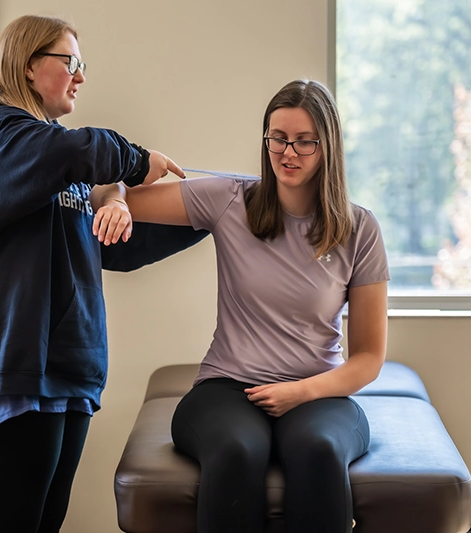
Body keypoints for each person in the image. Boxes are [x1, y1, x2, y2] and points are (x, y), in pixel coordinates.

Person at [0, 14, 196, 533]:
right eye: (71, 62)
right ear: (30, 66)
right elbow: (84, 151)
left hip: (66, 359)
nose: (80, 76)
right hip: (13, 356)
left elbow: (111, 246)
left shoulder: (45, 152)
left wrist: (212, 211)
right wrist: (136, 160)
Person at [113, 79, 390, 533]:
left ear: (328, 147)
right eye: (278, 138)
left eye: (305, 142)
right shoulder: (231, 200)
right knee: (236, 451)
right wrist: (116, 203)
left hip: (316, 391)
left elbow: (368, 359)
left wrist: (298, 392)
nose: (289, 153)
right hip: (227, 388)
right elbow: (117, 196)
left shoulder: (359, 229)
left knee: (318, 450)